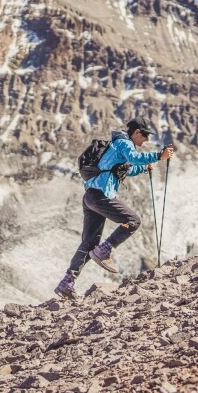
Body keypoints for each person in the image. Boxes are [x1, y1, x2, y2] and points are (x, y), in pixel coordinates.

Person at [55, 116, 174, 299]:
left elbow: (127, 168)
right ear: (135, 132)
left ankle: (67, 283)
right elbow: (134, 158)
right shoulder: (124, 143)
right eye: (144, 135)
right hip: (101, 195)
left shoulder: (117, 147)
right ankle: (105, 250)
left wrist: (143, 168)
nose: (147, 140)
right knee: (133, 221)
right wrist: (159, 156)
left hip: (91, 196)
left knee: (88, 243)